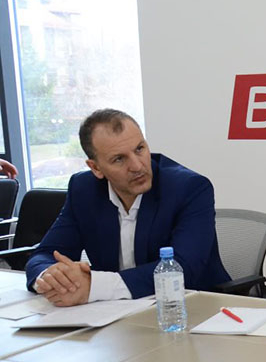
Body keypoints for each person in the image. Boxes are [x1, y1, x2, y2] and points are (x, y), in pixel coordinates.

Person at [25, 109, 230, 305]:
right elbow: (44, 255)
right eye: (119, 159)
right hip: (115, 314)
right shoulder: (84, 189)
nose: (137, 166)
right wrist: (52, 277)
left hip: (193, 307)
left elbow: (183, 267)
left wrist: (94, 286)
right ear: (96, 168)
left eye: (139, 149)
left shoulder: (188, 188)